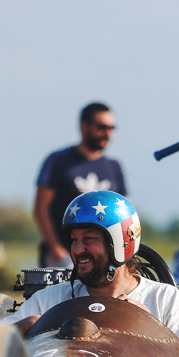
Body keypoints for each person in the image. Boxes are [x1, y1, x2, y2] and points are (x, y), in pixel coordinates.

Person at [7, 190, 179, 339]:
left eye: (89, 239)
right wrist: (26, 326)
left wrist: (149, 325)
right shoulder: (48, 301)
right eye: (74, 240)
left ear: (121, 243)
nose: (78, 249)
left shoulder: (165, 300)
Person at [33, 102, 126, 268]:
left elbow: (123, 214)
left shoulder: (114, 167)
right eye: (102, 127)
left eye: (112, 128)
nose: (107, 133)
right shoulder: (58, 161)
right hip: (65, 257)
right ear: (84, 126)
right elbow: (40, 209)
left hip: (104, 259)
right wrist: (56, 250)